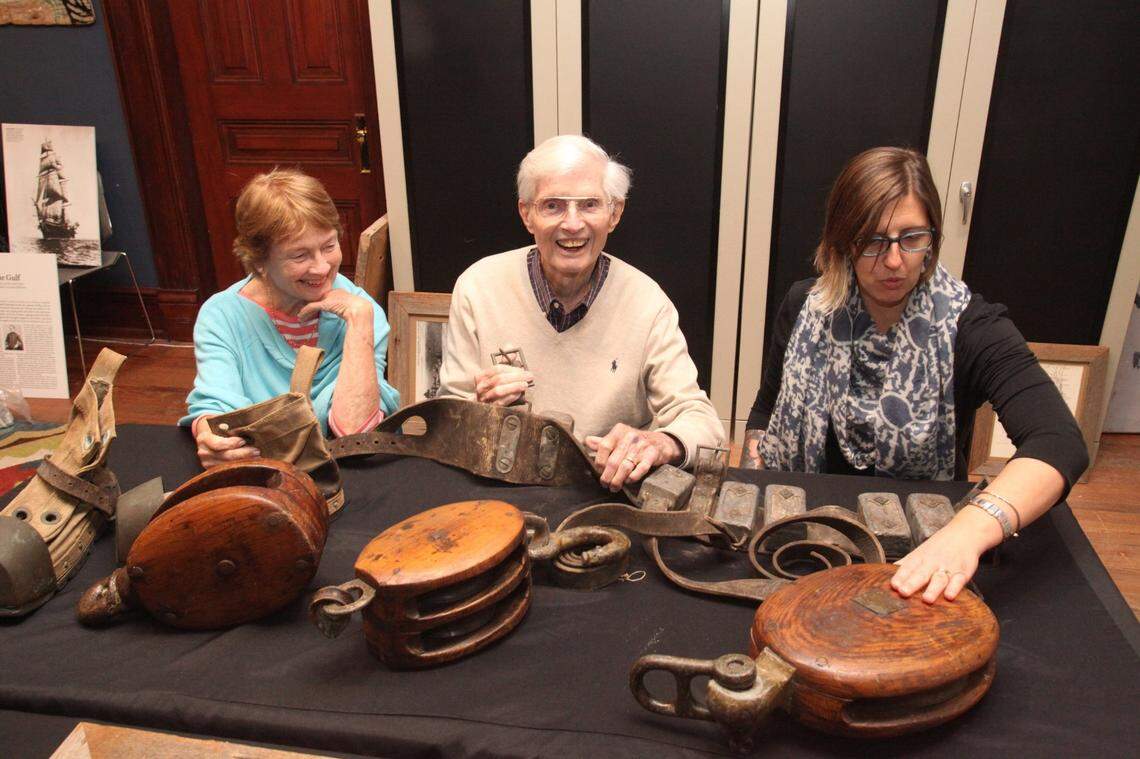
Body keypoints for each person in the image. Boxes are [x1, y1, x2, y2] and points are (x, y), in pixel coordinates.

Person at [742, 147, 1087, 602]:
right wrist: (753, 482)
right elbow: (767, 407)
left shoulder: (969, 327)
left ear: (933, 238)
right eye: (872, 240)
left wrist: (967, 532)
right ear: (842, 240)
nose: (893, 261)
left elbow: (1058, 440)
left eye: (911, 238)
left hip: (916, 557)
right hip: (803, 544)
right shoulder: (806, 305)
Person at [439, 135, 725, 491]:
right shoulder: (478, 287)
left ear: (614, 213)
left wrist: (661, 443)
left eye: (589, 204)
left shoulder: (648, 303)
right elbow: (446, 420)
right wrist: (479, 410)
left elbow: (704, 424)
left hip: (603, 497)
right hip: (502, 491)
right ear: (526, 214)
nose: (572, 224)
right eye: (553, 206)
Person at [182, 168, 399, 467]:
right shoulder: (222, 316)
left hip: (347, 472)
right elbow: (217, 407)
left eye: (329, 246)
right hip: (262, 474)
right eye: (300, 256)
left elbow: (355, 432)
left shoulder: (361, 311)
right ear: (259, 261)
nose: (322, 268)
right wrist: (211, 437)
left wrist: (360, 320)